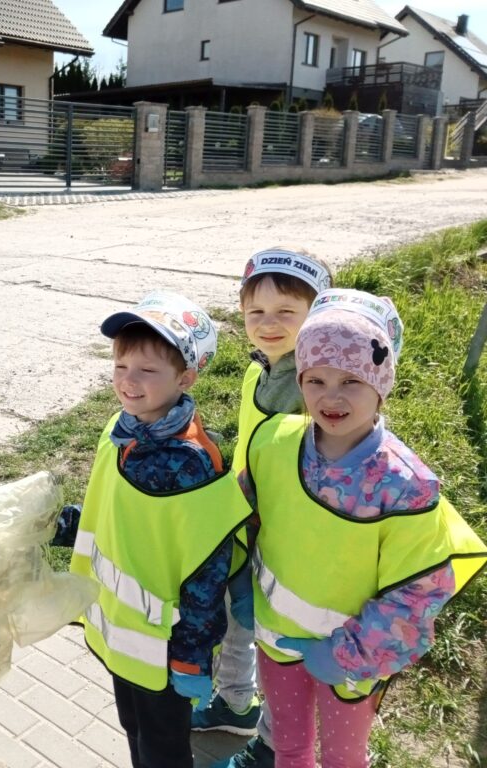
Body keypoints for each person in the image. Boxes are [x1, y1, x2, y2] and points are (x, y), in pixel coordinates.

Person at [240, 289, 486, 768]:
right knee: (288, 748)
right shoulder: (273, 442)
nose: (330, 396)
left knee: (342, 760)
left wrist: (348, 655)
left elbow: (418, 590)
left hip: (352, 665)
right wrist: (235, 587)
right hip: (276, 642)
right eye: (316, 379)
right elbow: (248, 520)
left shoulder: (404, 486)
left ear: (382, 382)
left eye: (352, 380)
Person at [70, 291, 252, 768]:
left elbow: (206, 568)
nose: (129, 382)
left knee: (164, 750)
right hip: (122, 638)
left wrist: (193, 655)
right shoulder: (120, 429)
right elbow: (108, 512)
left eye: (148, 371)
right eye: (120, 367)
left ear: (185, 378)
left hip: (166, 651)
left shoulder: (190, 463)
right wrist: (60, 523)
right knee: (135, 731)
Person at [193, 248, 332, 768]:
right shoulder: (262, 371)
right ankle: (233, 704)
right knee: (238, 619)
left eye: (286, 313)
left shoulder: (315, 383)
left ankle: (275, 745)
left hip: (288, 538)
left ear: (317, 314)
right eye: (256, 313)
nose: (268, 325)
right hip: (247, 523)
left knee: (279, 643)